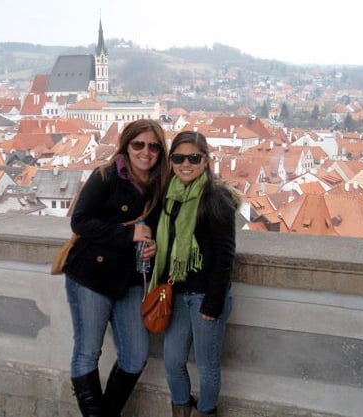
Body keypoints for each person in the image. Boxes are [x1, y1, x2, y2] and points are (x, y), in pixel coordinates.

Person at [63, 119, 169, 417]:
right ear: (127, 145)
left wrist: (155, 246)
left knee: (135, 356)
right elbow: (79, 221)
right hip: (91, 278)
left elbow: (160, 230)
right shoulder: (105, 176)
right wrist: (129, 234)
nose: (145, 152)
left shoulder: (160, 185)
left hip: (130, 280)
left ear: (160, 152)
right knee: (87, 353)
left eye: (153, 146)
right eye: (138, 144)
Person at [150, 131, 239, 417]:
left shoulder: (216, 198)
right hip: (177, 294)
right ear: (171, 160)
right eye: (178, 157)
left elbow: (225, 255)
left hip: (205, 299)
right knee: (173, 361)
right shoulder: (169, 195)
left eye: (193, 158)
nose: (185, 164)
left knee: (207, 366)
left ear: (205, 161)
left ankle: (205, 412)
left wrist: (212, 304)